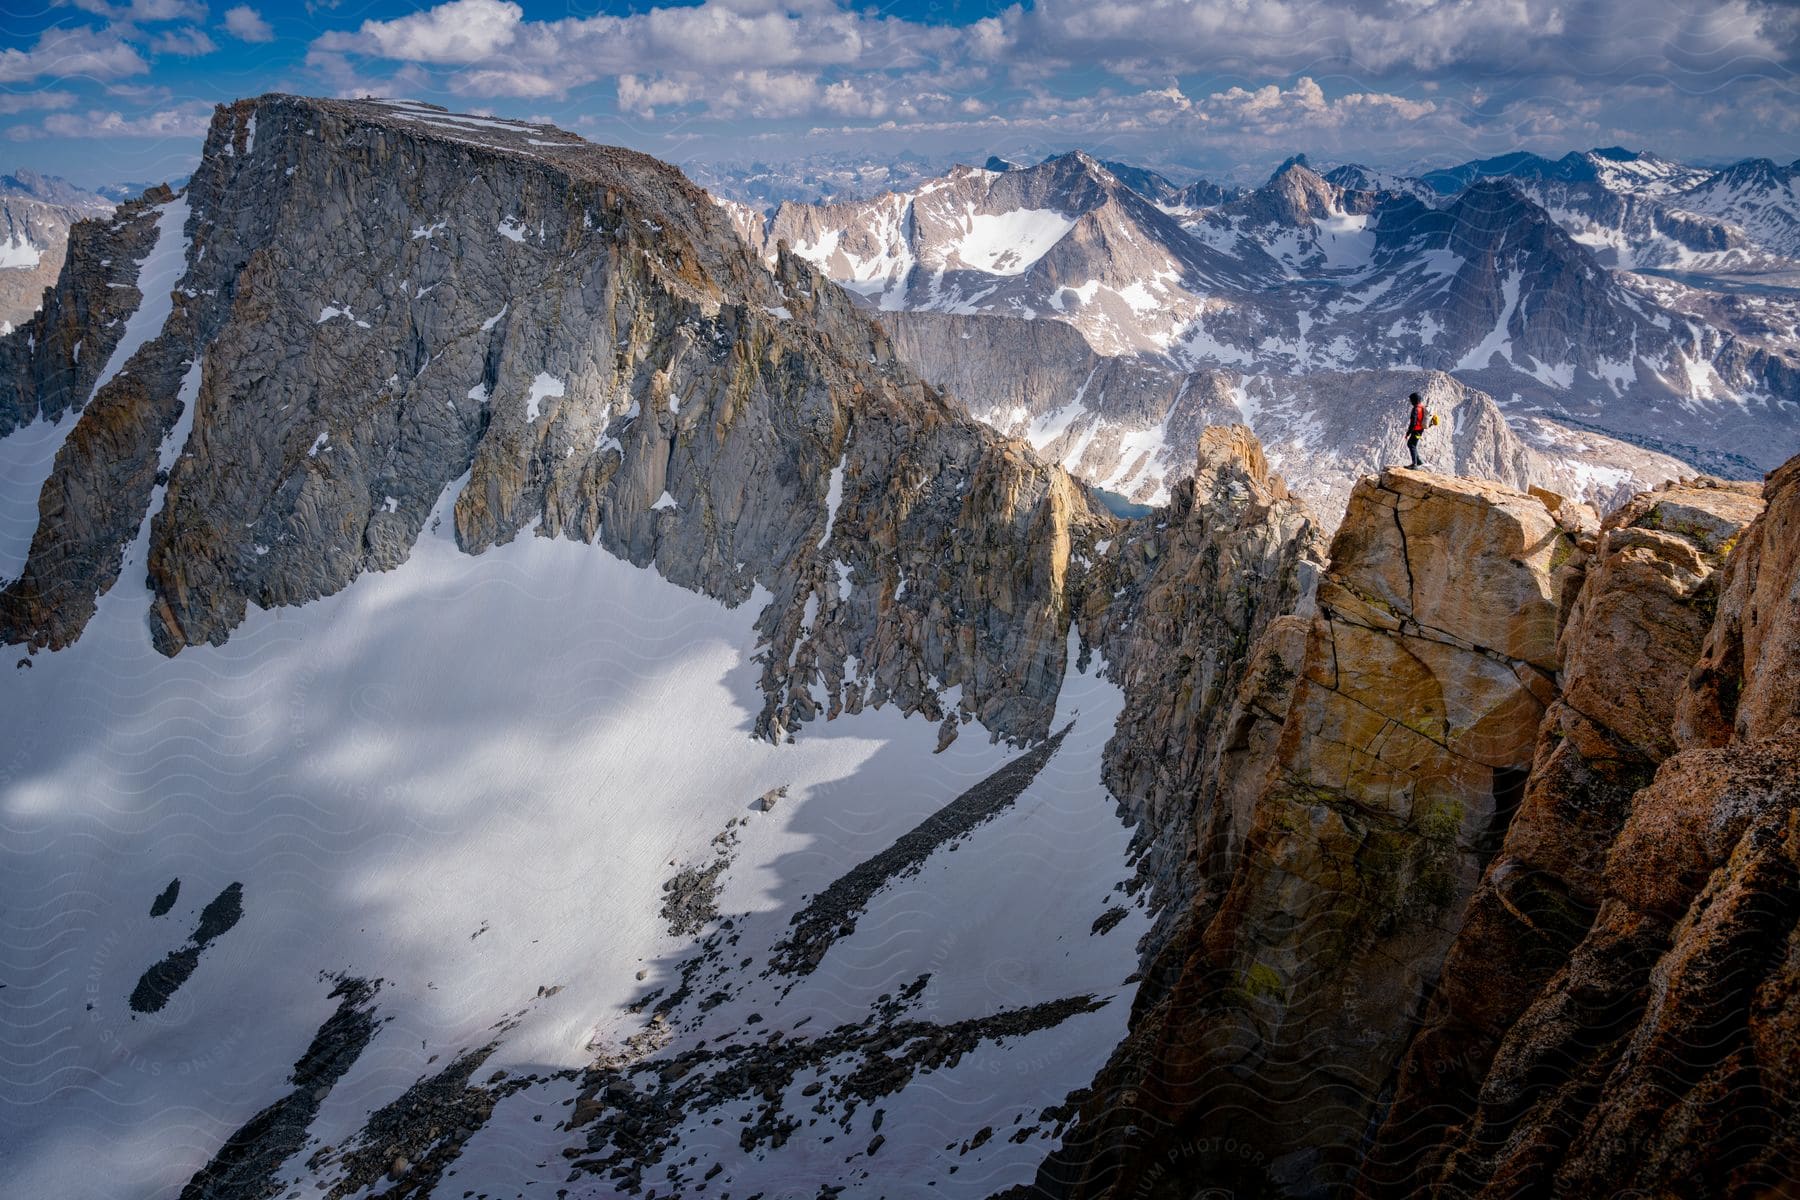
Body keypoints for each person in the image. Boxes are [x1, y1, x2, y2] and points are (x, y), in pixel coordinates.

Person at [1405, 392, 1429, 469]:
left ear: (1414, 400)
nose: (1410, 401)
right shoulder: (1422, 407)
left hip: (1416, 430)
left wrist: (1408, 433)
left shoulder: (1415, 409)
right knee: (1413, 444)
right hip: (1421, 430)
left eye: (1411, 400)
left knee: (1411, 444)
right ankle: (1418, 462)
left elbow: (1413, 423)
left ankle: (1414, 464)